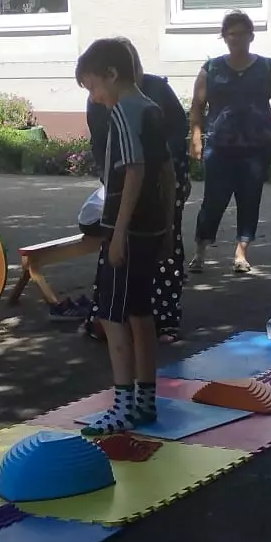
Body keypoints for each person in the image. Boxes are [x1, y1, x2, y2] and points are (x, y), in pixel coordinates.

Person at [75, 37, 175, 434]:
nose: (95, 98)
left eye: (93, 87)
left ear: (112, 74)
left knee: (112, 315)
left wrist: (117, 234)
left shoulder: (123, 111)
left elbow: (135, 171)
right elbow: (167, 172)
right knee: (140, 312)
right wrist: (168, 227)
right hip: (150, 227)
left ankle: (122, 406)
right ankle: (145, 402)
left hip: (128, 229)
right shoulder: (151, 108)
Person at [83, 37, 192, 343]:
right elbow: (100, 140)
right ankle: (108, 315)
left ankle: (164, 318)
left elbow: (159, 154)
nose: (94, 97)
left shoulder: (148, 98)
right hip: (125, 190)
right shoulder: (107, 102)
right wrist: (109, 177)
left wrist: (161, 184)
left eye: (93, 88)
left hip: (152, 193)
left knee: (158, 254)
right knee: (117, 262)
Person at [189, 10, 271, 274]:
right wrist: (195, 137)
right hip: (220, 146)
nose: (236, 39)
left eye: (241, 34)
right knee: (213, 200)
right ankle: (200, 252)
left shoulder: (267, 67)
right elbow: (197, 104)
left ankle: (241, 254)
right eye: (231, 34)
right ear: (224, 37)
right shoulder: (211, 69)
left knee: (250, 198)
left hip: (257, 146)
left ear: (251, 36)